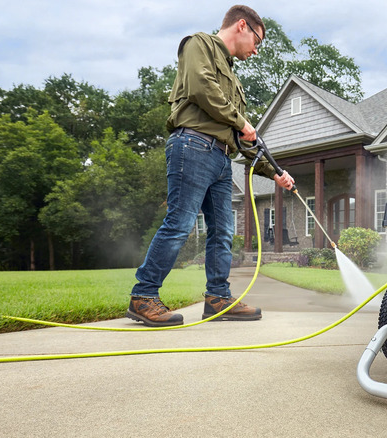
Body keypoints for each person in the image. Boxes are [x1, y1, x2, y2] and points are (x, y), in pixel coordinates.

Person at [126, 5, 294, 327]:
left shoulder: (233, 77)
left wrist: (276, 173)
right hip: (193, 146)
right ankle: (143, 296)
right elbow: (201, 87)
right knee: (180, 223)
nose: (256, 51)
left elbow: (245, 142)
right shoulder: (198, 44)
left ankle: (217, 298)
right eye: (257, 41)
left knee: (223, 232)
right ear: (242, 26)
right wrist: (241, 121)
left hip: (221, 158)